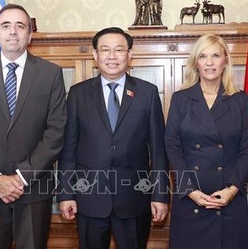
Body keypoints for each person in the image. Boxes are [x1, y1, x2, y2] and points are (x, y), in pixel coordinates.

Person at [0, 3, 67, 248]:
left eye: (20, 26)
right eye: (6, 26)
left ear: (30, 35)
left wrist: (21, 178)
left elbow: (55, 133)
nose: (13, 32)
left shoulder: (50, 74)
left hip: (33, 189)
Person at [57, 27, 169, 249]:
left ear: (129, 55)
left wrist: (160, 195)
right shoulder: (78, 94)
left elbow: (158, 150)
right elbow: (68, 150)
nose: (112, 56)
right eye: (105, 50)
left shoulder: (147, 93)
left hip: (135, 199)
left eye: (119, 50)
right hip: (89, 199)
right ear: (95, 55)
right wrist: (65, 193)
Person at [164, 34, 248, 249]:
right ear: (196, 63)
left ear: (225, 61)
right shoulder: (181, 99)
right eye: (203, 56)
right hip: (191, 197)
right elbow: (171, 146)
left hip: (229, 200)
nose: (210, 62)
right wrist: (190, 190)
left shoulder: (241, 100)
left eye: (216, 55)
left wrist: (232, 191)